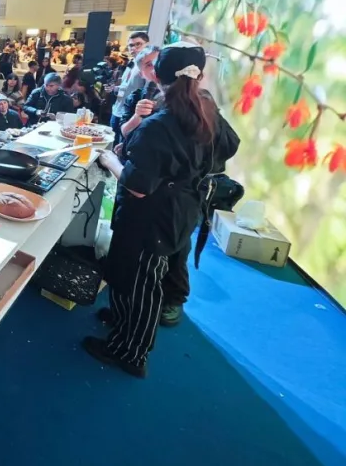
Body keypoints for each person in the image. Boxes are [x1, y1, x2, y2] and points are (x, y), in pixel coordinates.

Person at [87, 44, 240, 377]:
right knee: (135, 274)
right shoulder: (206, 108)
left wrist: (112, 160)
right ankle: (122, 320)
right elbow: (229, 145)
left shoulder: (160, 125)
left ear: (158, 75)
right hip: (182, 209)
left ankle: (130, 352)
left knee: (141, 282)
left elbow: (137, 184)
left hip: (151, 218)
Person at [110, 31, 150, 144]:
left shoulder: (147, 66)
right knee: (112, 146)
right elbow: (126, 85)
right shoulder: (131, 64)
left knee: (122, 148)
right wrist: (115, 89)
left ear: (147, 44)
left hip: (130, 115)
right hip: (117, 110)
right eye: (131, 45)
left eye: (139, 44)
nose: (134, 48)